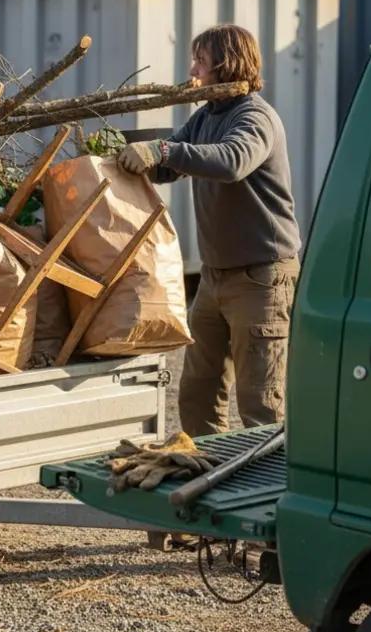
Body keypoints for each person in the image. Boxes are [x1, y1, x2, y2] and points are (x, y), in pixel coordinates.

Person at [116, 24, 301, 437]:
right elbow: (169, 165)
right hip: (216, 276)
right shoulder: (205, 117)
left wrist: (163, 149)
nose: (192, 70)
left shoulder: (255, 118)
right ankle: (209, 477)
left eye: (200, 61)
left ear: (226, 65)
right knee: (198, 392)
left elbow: (232, 160)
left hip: (261, 278)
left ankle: (266, 494)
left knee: (261, 403)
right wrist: (128, 155)